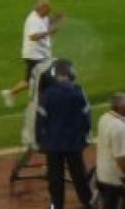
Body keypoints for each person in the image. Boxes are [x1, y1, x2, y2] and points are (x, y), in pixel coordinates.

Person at [35, 59, 93, 209]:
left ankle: (56, 205)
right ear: (70, 73)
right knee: (79, 175)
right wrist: (84, 135)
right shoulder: (78, 91)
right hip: (74, 143)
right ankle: (87, 202)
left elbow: (40, 119)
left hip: (53, 144)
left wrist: (40, 140)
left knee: (55, 178)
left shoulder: (47, 94)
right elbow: (86, 117)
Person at [1, 0, 63, 107]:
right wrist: (49, 32)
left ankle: (10, 93)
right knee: (48, 76)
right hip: (34, 56)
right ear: (42, 8)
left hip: (41, 54)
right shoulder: (33, 20)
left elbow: (48, 23)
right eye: (48, 9)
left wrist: (56, 19)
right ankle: (43, 101)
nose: (50, 11)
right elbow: (33, 37)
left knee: (30, 80)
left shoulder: (43, 16)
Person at [96, 92, 125, 209]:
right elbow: (121, 159)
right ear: (122, 108)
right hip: (115, 181)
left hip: (101, 176)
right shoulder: (120, 128)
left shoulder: (104, 118)